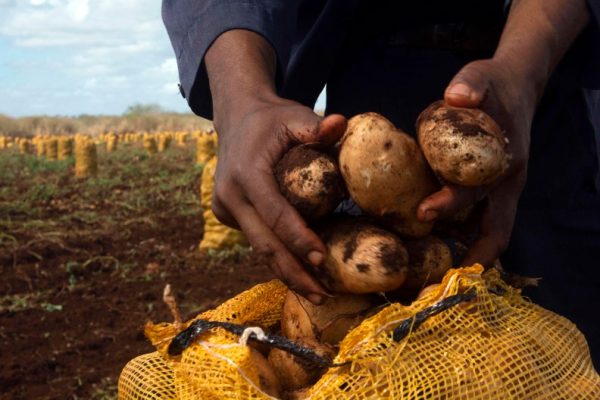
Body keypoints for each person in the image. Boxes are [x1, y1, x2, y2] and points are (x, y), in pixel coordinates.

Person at [162, 0, 600, 366]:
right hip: (371, 74)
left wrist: (526, 66)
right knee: (386, 346)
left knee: (566, 335)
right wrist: (241, 99)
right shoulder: (359, 150)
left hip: (538, 89)